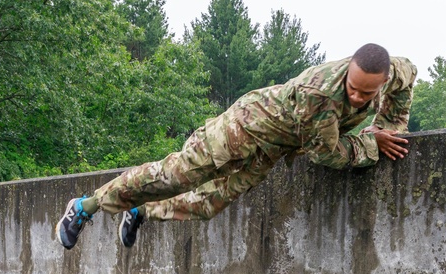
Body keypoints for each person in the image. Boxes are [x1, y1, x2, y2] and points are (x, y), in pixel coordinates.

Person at [56, 43, 416, 250]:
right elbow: (326, 153)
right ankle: (85, 207)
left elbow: (407, 81)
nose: (355, 96)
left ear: (383, 81)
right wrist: (372, 145)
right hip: (243, 125)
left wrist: (389, 126)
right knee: (176, 177)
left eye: (366, 93)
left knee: (208, 204)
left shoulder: (395, 72)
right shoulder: (319, 95)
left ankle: (140, 211)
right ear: (347, 72)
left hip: (273, 147)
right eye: (352, 87)